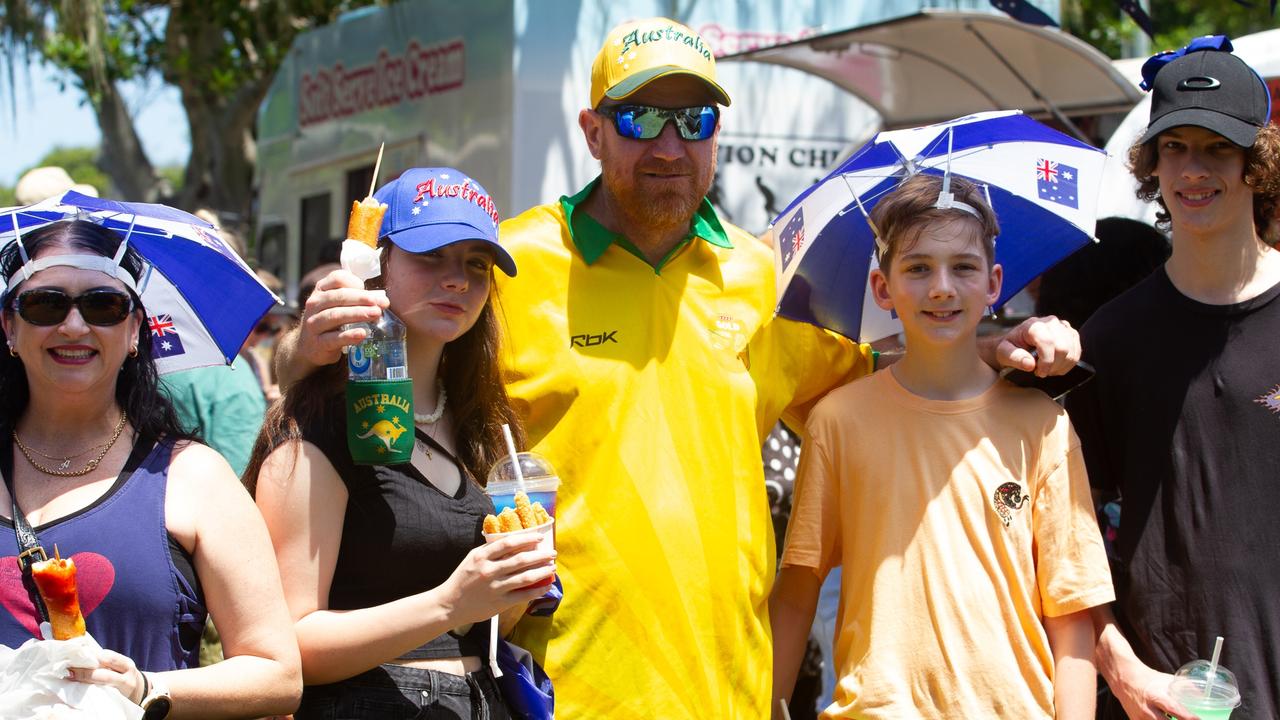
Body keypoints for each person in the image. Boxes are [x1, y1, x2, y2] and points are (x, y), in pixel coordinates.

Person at [274, 18, 1082, 718]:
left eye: (693, 119)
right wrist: (304, 347)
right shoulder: (509, 266)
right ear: (593, 131)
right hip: (550, 692)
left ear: (716, 136)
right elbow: (369, 381)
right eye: (640, 119)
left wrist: (986, 346)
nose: (669, 145)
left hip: (725, 693)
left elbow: (892, 392)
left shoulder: (766, 278)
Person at [770, 173, 1114, 719]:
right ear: (883, 288)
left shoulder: (1044, 425)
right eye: (918, 268)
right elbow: (798, 588)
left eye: (963, 267)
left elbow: (1071, 615)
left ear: (994, 281)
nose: (941, 288)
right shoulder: (839, 421)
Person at [245, 168, 556, 719]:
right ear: (376, 265)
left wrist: (514, 586)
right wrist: (449, 603)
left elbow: (478, 625)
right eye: (431, 256)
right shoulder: (317, 425)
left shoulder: (483, 424)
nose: (457, 280)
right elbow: (287, 646)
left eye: (476, 264)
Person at [0, 219, 300, 716]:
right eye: (46, 304)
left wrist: (144, 687)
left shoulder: (193, 476)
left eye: (103, 305)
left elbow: (278, 674)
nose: (74, 326)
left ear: (136, 328)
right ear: (10, 327)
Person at [1064, 40, 1280, 720]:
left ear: (1257, 162)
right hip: (1168, 698)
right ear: (1151, 164)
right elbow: (1061, 537)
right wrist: (1120, 666)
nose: (1193, 169)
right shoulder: (1112, 338)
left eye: (1217, 148)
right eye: (1175, 147)